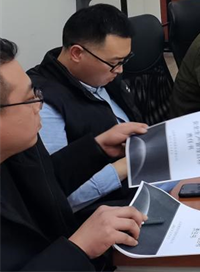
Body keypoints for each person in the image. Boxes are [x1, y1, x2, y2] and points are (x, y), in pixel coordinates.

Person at [0, 38, 150, 272]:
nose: (38, 105)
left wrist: (98, 148)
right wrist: (79, 247)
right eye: (29, 99)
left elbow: (44, 184)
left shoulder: (21, 146)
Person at [28, 4, 142, 213]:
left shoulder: (104, 77)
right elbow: (59, 195)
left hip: (141, 182)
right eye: (114, 62)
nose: (120, 70)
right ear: (77, 53)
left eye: (124, 60)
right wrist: (126, 166)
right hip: (107, 210)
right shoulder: (43, 103)